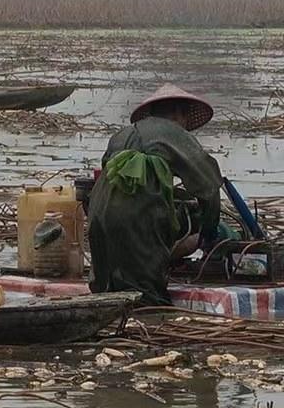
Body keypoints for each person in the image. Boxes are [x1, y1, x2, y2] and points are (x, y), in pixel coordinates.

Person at [87, 84, 223, 306]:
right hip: (139, 215)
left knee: (108, 280)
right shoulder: (175, 134)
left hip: (99, 210)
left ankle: (107, 313)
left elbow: (108, 170)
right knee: (146, 290)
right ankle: (150, 323)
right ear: (180, 112)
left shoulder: (122, 135)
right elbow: (209, 187)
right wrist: (209, 230)